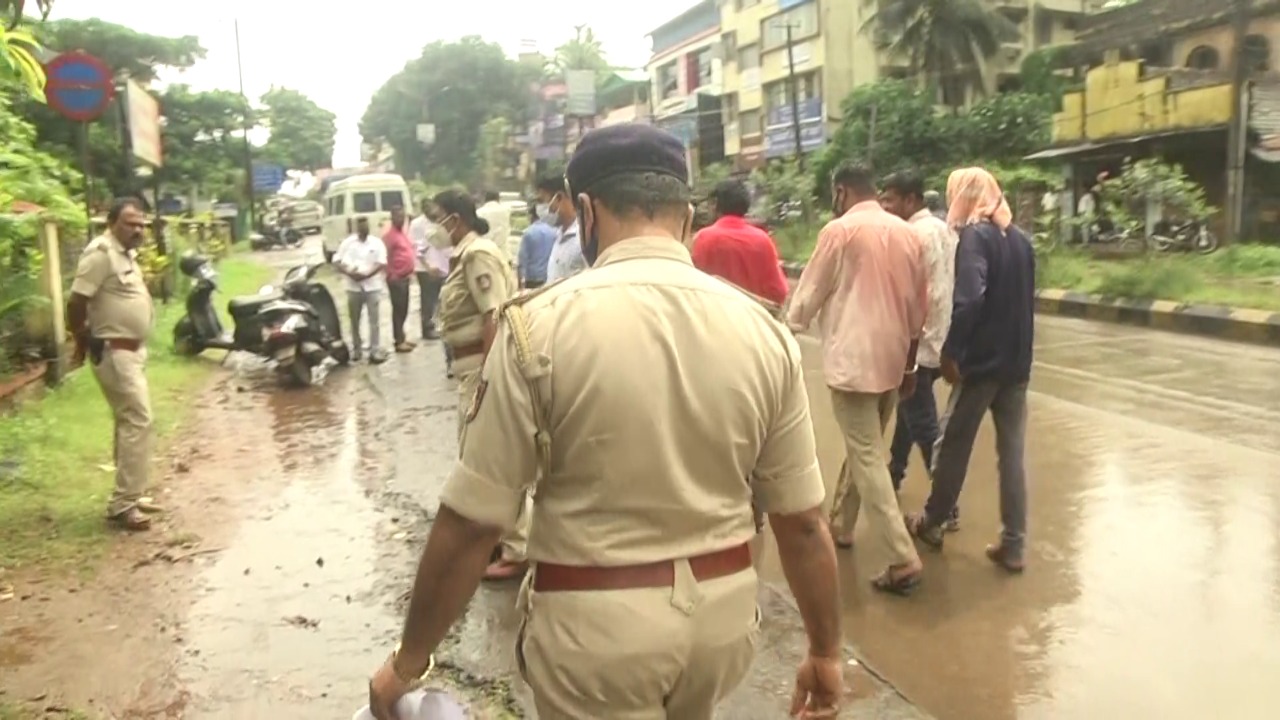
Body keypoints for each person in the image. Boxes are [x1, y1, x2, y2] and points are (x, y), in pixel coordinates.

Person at [367, 124, 843, 720]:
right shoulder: (764, 333)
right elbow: (801, 523)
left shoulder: (535, 330)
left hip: (593, 636)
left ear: (586, 212)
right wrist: (826, 651)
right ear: (687, 217)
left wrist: (407, 663)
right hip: (722, 628)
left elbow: (471, 525)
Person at [787, 163, 928, 596]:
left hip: (852, 362)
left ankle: (902, 558)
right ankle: (842, 526)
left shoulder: (839, 231)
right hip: (892, 359)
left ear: (842, 191)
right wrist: (909, 366)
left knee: (867, 455)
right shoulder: (908, 234)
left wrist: (788, 328)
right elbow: (919, 307)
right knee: (864, 445)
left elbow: (809, 292)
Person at [906, 167, 1035, 574]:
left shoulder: (975, 238)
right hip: (1017, 363)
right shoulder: (1021, 239)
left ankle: (934, 520)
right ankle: (1013, 544)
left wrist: (952, 352)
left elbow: (970, 299)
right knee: (1011, 455)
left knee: (952, 444)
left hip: (982, 364)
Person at [427, 190, 528, 581]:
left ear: (457, 219)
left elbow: (494, 316)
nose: (436, 228)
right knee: (482, 456)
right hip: (467, 366)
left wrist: (490, 376)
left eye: (440, 218)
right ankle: (506, 540)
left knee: (487, 460)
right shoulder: (464, 257)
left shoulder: (478, 255)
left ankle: (518, 548)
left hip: (479, 368)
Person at [66, 198, 160, 532]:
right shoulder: (100, 254)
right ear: (112, 222)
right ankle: (123, 505)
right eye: (131, 223)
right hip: (114, 352)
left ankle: (130, 494)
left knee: (128, 422)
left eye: (141, 224)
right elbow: (77, 300)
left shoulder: (125, 254)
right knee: (138, 420)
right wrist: (80, 337)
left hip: (132, 352)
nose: (138, 230)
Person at [879, 171, 961, 531]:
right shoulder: (945, 229)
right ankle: (895, 472)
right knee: (911, 414)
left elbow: (906, 293)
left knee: (924, 424)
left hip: (916, 342)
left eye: (891, 199)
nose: (885, 206)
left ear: (911, 200)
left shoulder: (910, 235)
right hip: (939, 338)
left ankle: (947, 506)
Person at [692, 178, 789, 306]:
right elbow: (779, 292)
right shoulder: (762, 239)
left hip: (714, 318)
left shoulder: (702, 239)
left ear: (715, 204)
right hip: (754, 320)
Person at [335, 216, 388, 364]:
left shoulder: (377, 243)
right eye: (360, 226)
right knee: (354, 320)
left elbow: (381, 262)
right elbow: (337, 261)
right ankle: (357, 349)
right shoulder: (347, 243)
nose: (363, 229)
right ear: (356, 228)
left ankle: (374, 350)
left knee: (374, 321)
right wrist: (350, 273)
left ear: (368, 227)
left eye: (365, 226)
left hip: (373, 286)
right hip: (353, 287)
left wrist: (366, 275)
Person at [408, 199, 451, 342]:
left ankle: (440, 324)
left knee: (442, 298)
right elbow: (416, 248)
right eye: (427, 208)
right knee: (428, 299)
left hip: (443, 266)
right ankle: (427, 328)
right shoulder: (417, 225)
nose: (431, 211)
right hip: (425, 268)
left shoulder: (441, 221)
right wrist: (428, 266)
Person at [535, 174, 587, 282]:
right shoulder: (559, 235)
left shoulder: (582, 238)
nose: (539, 209)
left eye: (542, 201)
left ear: (559, 197)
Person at [383, 205, 417, 354]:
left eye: (403, 217)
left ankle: (402, 337)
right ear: (392, 217)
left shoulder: (402, 233)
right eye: (398, 216)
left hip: (405, 277)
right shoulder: (389, 236)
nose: (401, 219)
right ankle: (398, 341)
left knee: (404, 309)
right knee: (398, 310)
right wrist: (391, 274)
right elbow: (386, 256)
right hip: (396, 278)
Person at [516, 201, 557, 289]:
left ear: (531, 216)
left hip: (532, 280)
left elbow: (522, 261)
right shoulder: (552, 232)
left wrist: (520, 284)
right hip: (548, 277)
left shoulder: (528, 233)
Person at [476, 190, 513, 261]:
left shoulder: (479, 213)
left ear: (485, 199)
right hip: (503, 255)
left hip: (485, 255)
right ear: (498, 198)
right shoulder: (506, 211)